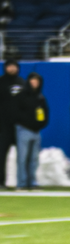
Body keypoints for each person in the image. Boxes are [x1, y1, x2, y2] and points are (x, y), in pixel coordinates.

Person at [14, 72, 48, 191]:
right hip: (24, 130)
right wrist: (27, 123)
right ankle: (21, 184)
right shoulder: (21, 95)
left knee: (34, 159)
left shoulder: (40, 97)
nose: (35, 83)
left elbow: (45, 113)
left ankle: (32, 182)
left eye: (37, 81)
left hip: (36, 132)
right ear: (29, 81)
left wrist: (40, 125)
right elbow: (16, 113)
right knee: (22, 158)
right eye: (33, 80)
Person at [0, 60, 25, 190]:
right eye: (9, 66)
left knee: (23, 155)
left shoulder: (22, 82)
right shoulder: (1, 82)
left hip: (20, 126)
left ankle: (22, 182)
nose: (12, 68)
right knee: (1, 155)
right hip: (4, 127)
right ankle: (1, 182)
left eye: (14, 66)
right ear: (5, 68)